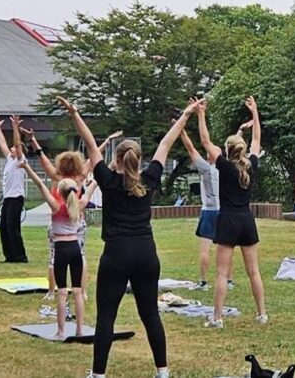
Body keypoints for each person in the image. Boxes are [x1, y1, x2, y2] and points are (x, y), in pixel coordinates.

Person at [57, 97, 198, 378]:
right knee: (150, 315)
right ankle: (163, 371)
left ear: (117, 160)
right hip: (146, 253)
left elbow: (88, 140)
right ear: (139, 159)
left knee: (107, 316)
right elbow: (166, 144)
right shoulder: (148, 180)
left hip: (117, 254)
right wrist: (185, 115)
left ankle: (98, 374)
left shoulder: (108, 181)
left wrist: (74, 113)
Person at [197, 96, 267, 328]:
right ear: (243, 150)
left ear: (227, 151)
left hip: (227, 220)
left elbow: (205, 141)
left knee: (221, 273)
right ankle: (261, 313)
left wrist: (200, 113)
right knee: (253, 271)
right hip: (247, 220)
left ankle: (217, 318)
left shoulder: (224, 166)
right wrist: (255, 112)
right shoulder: (252, 165)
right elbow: (257, 137)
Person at [29, 129, 122, 301]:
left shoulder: (56, 176)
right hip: (77, 222)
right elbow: (94, 155)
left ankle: (52, 291)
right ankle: (83, 291)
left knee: (53, 257)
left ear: (60, 164)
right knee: (81, 255)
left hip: (57, 223)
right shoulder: (81, 176)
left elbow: (42, 159)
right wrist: (107, 141)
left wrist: (34, 140)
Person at [20, 160, 96, 340]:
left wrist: (26, 167)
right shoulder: (80, 205)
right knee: (77, 291)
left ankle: (61, 331)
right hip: (76, 248)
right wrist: (102, 172)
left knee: (62, 292)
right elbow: (93, 184)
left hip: (61, 249)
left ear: (59, 193)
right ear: (76, 191)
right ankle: (79, 330)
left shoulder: (56, 206)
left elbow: (39, 183)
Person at [178, 129, 234, 292]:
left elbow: (191, 149)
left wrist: (182, 131)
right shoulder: (227, 168)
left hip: (209, 211)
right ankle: (229, 281)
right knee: (227, 247)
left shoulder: (206, 168)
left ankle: (203, 282)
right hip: (224, 210)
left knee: (205, 248)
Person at [0, 115, 28, 263]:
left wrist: (15, 127)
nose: (11, 149)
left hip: (16, 198)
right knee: (4, 228)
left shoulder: (20, 160)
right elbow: (3, 144)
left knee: (13, 228)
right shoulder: (10, 160)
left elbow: (17, 144)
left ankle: (20, 256)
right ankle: (9, 256)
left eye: (14, 148)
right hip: (8, 198)